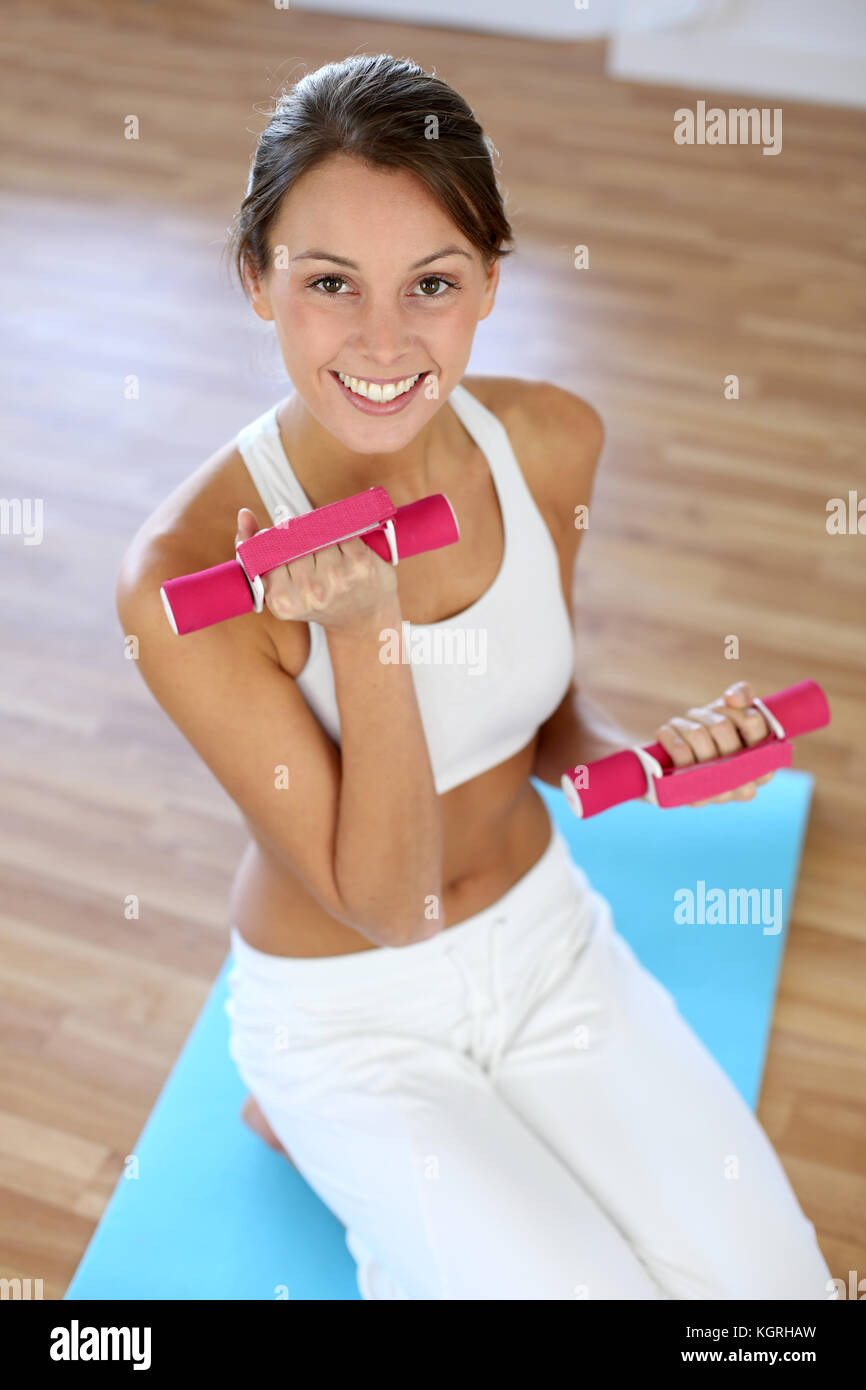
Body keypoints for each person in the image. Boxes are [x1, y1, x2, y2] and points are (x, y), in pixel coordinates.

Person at [115, 53, 832, 1300]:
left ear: (491, 282)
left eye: (431, 285)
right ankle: (313, 1126)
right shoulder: (179, 575)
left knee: (770, 1297)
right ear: (255, 280)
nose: (383, 342)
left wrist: (646, 765)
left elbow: (538, 703)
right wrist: (365, 634)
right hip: (350, 1008)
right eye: (329, 283)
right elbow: (385, 906)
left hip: (548, 943)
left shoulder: (549, 440)